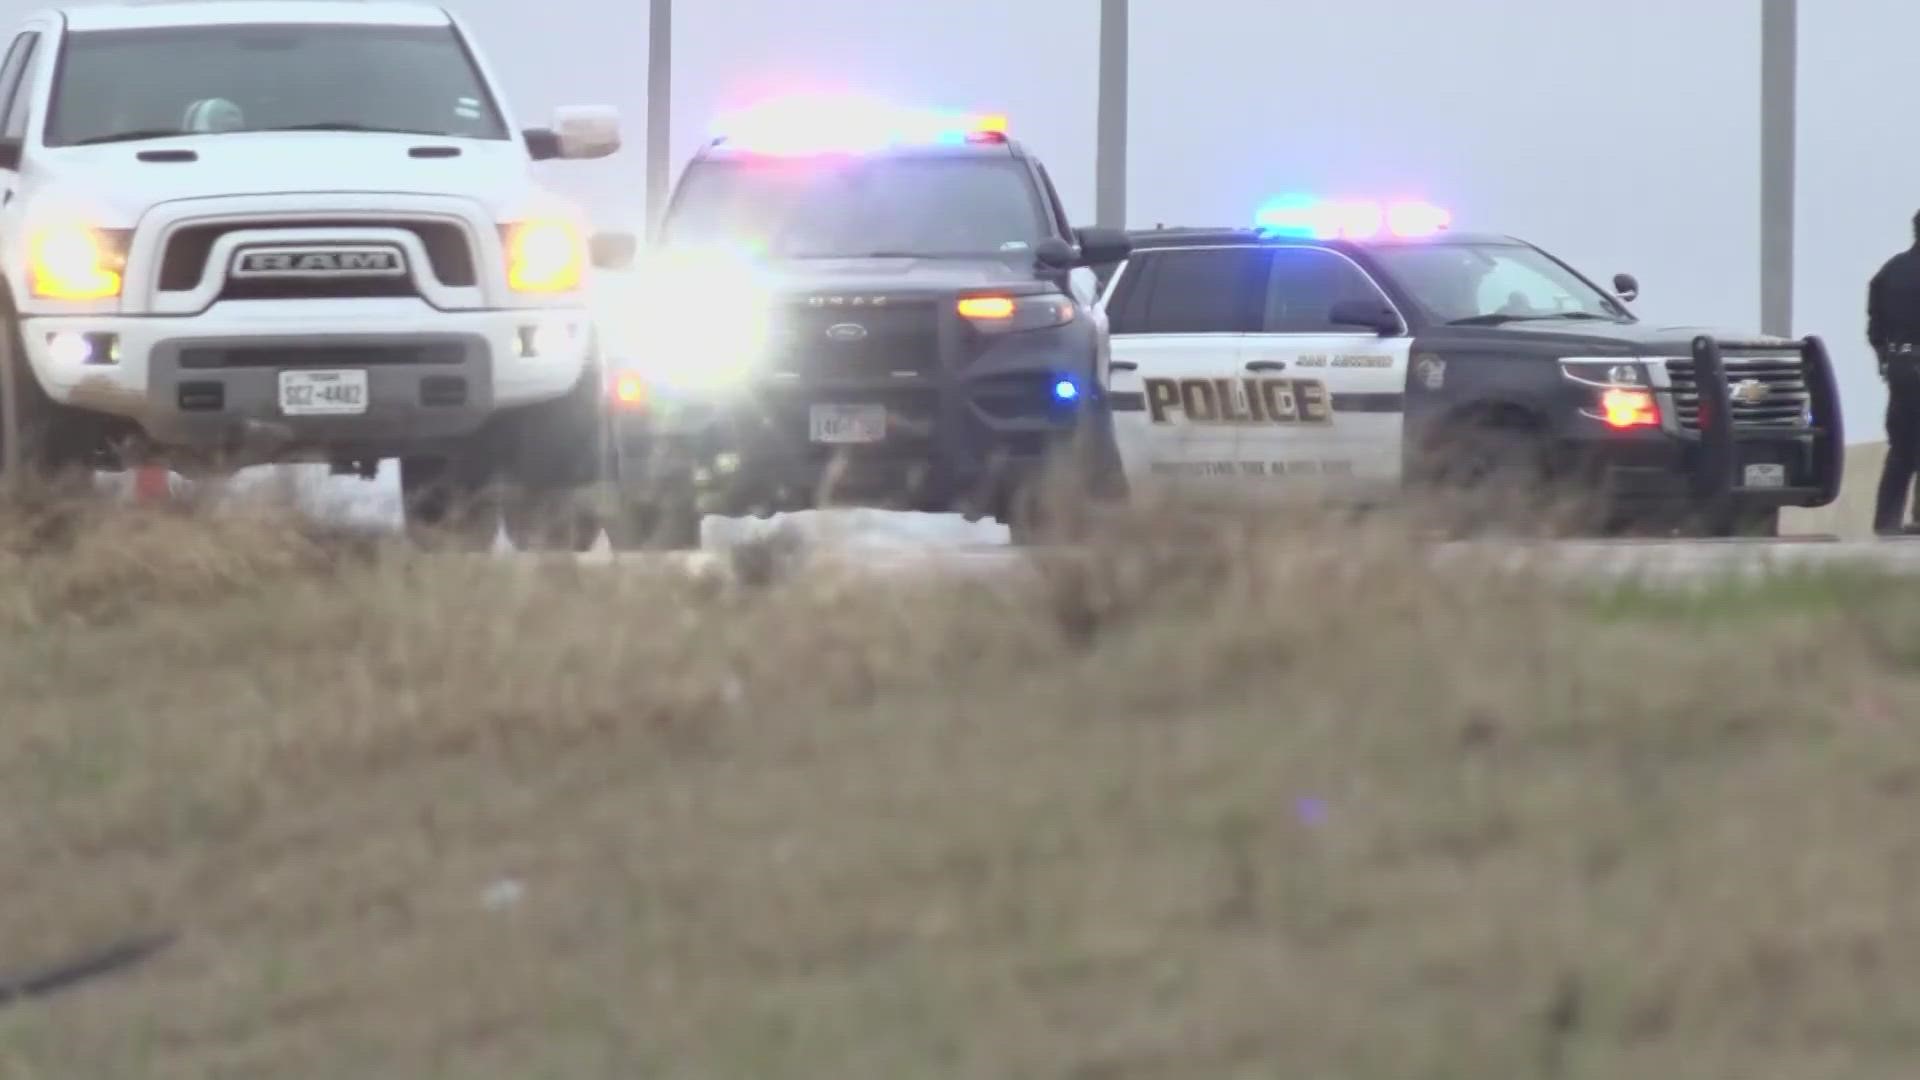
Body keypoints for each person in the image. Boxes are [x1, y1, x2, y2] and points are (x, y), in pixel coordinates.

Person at [1866, 210, 1920, 535]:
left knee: (1901, 448)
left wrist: (1887, 360)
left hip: (1901, 369)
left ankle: (1886, 524)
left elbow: (1875, 327)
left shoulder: (1890, 271)